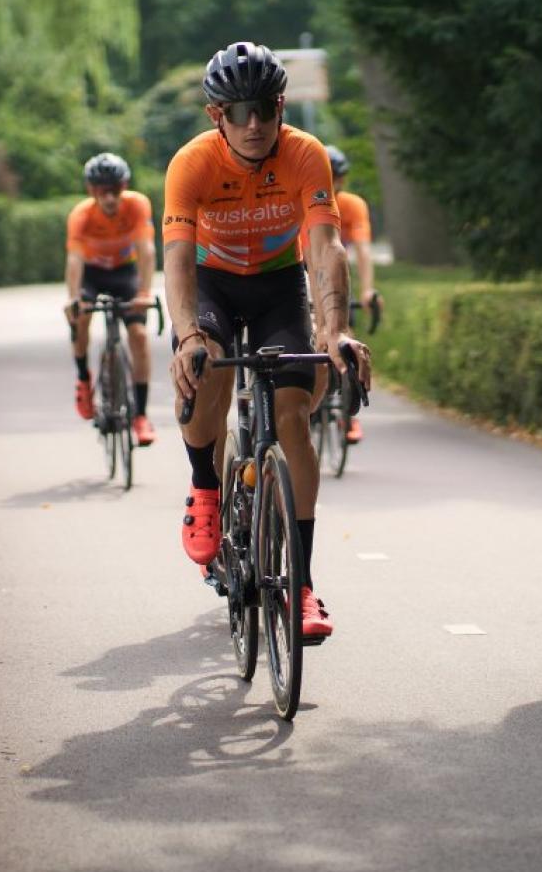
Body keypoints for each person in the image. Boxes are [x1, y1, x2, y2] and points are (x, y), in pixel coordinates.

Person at [163, 43, 372, 641]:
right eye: (237, 111)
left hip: (279, 285)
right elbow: (176, 259)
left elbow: (326, 247)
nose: (253, 124)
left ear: (280, 106)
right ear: (216, 116)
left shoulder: (305, 155)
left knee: (294, 419)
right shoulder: (192, 163)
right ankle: (206, 484)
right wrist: (185, 337)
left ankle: (301, 585)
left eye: (264, 108)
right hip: (214, 283)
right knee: (209, 373)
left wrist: (335, 333)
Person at [65, 152, 158, 447]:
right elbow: (75, 260)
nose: (109, 197)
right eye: (101, 190)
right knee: (80, 317)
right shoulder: (81, 215)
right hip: (92, 274)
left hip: (124, 273)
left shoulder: (137, 205)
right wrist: (73, 298)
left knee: (139, 336)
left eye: (114, 189)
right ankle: (83, 379)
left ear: (124, 185)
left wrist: (144, 293)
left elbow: (146, 250)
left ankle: (141, 416)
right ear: (91, 191)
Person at [324, 144, 381, 444]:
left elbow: (363, 251)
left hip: (338, 274)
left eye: (335, 177)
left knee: (347, 332)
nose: (330, 183)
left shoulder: (352, 206)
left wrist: (367, 290)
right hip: (308, 271)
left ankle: (350, 412)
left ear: (341, 180)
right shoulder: (302, 201)